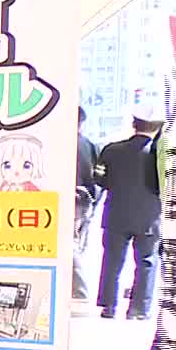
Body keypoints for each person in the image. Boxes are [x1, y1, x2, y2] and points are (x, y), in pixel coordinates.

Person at [96, 110, 162, 320]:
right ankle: (139, 310)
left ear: (134, 124)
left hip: (116, 214)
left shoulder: (111, 150)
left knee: (112, 261)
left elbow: (99, 179)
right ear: (159, 128)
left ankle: (109, 306)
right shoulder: (161, 155)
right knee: (147, 262)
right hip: (149, 217)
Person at [73, 107, 99, 305]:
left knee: (70, 246)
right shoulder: (90, 145)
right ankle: (78, 289)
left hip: (69, 201)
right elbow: (97, 179)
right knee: (76, 244)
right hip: (84, 201)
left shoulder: (61, 142)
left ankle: (80, 290)